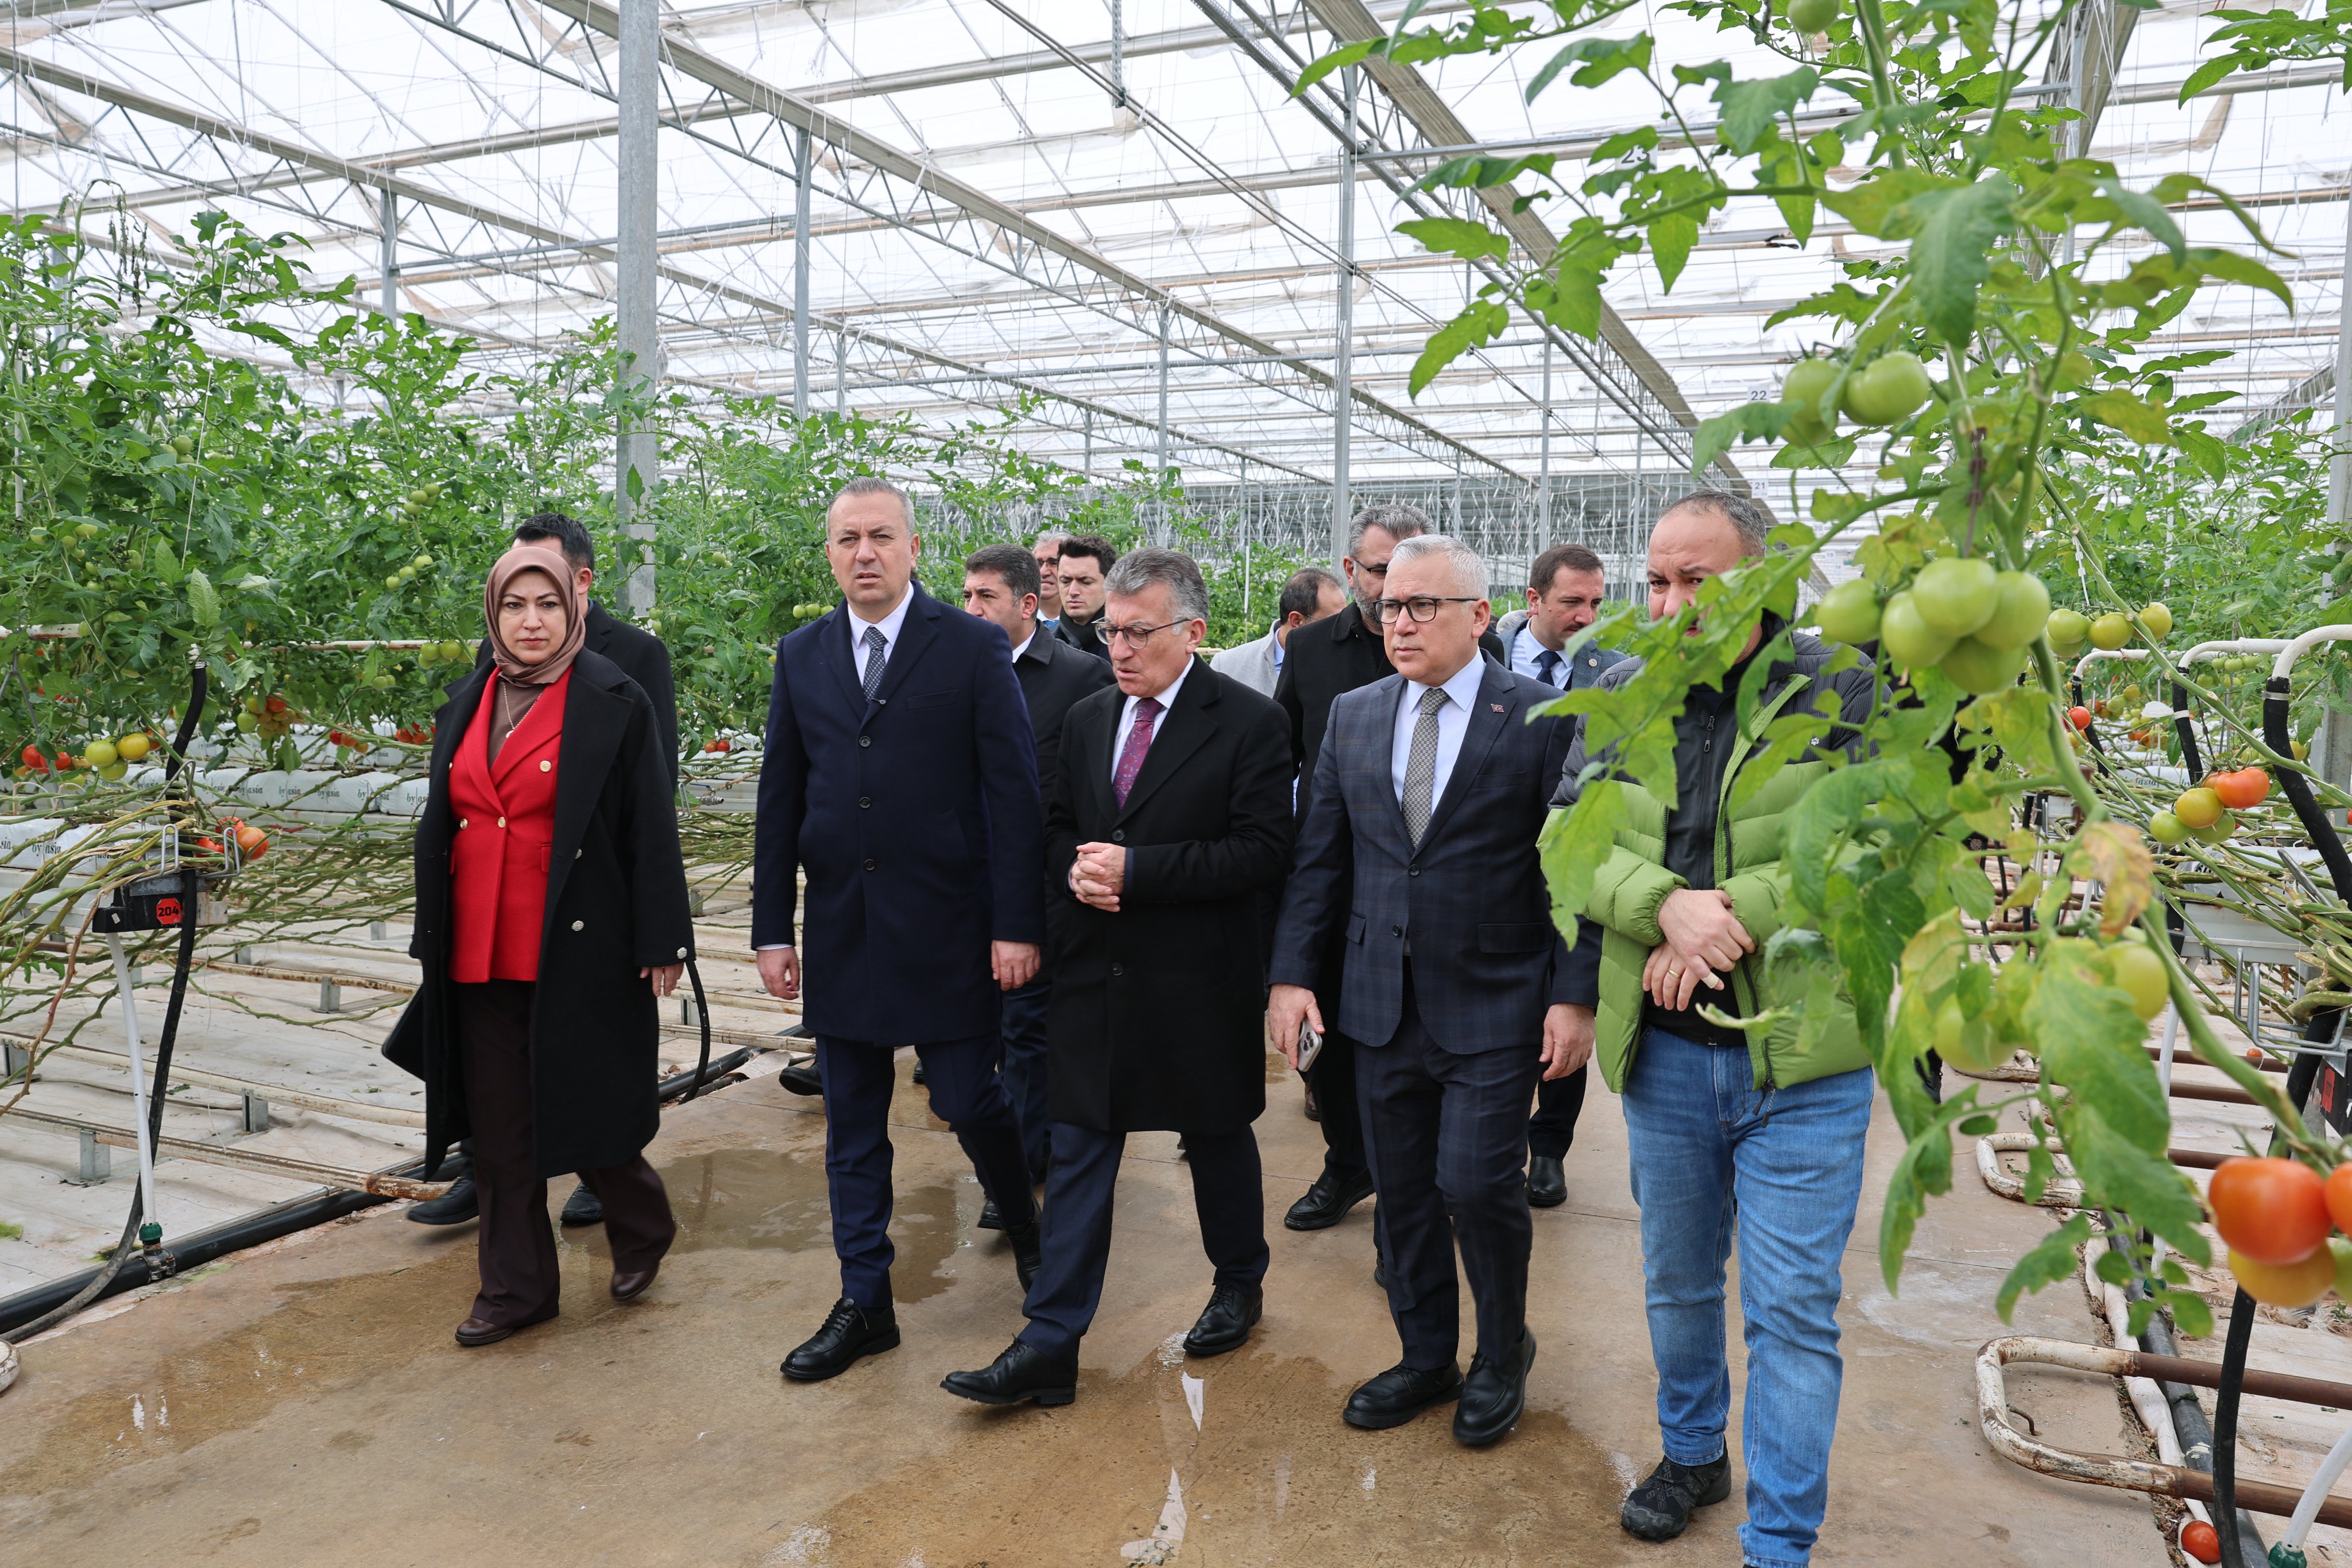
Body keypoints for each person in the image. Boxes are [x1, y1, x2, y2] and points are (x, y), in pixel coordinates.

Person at [1550, 490, 1875, 1565]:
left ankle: (1779, 1541)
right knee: (1678, 1277)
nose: (1672, 602)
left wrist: (1727, 918)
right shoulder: (1615, 681)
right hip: (1669, 1058)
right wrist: (1663, 909)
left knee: (1791, 1311)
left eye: (1701, 580)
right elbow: (1567, 837)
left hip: (1802, 1058)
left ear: (1767, 583)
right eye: (1658, 579)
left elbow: (1869, 847)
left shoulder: (1843, 683)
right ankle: (1692, 1454)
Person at [942, 549, 1294, 1408]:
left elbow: (1261, 850)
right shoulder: (1094, 713)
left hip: (1197, 979)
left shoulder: (1248, 721)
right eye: (1111, 630)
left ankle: (1240, 1279)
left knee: (1214, 1137)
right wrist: (1078, 878)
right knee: (1080, 1149)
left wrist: (1140, 872)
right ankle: (1050, 1341)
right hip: (1096, 973)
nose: (1121, 646)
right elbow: (1057, 823)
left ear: (1193, 632)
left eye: (1139, 631)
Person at [1268, 533, 1585, 1447]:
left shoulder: (1541, 715)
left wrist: (1573, 995)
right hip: (1377, 995)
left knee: (1478, 1182)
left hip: (1495, 994)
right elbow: (1320, 859)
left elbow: (1573, 868)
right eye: (1388, 607)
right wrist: (1291, 976)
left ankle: (1500, 1349)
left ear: (1479, 616)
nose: (1398, 623)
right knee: (1403, 1186)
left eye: (1421, 607)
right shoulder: (1359, 715)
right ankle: (1425, 1353)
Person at [754, 477, 1046, 1384]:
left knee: (969, 1097)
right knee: (852, 1125)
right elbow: (781, 798)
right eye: (847, 539)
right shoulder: (802, 654)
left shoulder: (966, 646)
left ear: (914, 547)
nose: (865, 553)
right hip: (844, 926)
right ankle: (864, 1300)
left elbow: (1012, 792)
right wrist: (773, 926)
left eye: (882, 536)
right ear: (832, 553)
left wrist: (1015, 923)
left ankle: (1031, 1228)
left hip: (950, 925)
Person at [384, 545, 693, 1346]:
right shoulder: (465, 699)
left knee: (585, 1105)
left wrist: (664, 936)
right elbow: (442, 821)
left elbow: (649, 824)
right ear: (493, 612)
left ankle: (639, 1217)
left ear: (574, 608)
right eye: (516, 604)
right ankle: (517, 1288)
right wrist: (429, 932)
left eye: (547, 605)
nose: (531, 621)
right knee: (498, 1128)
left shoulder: (613, 699)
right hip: (476, 948)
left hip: (577, 944)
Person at [1271, 504, 1502, 1248]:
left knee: (1457, 1146)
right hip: (1355, 915)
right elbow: (1294, 793)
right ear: (1355, 576)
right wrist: (1291, 961)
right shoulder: (1322, 673)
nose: (1398, 613)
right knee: (1344, 1076)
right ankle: (1351, 1171)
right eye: (1385, 591)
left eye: (1418, 599)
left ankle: (1435, 1212)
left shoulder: (1511, 689)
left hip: (1461, 945)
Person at [961, 543, 1115, 1198]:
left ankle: (1019, 1176)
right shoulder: (952, 669)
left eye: (985, 597)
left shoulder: (1081, 677)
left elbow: (1098, 789)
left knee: (1027, 1030)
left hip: (1041, 887)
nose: (970, 609)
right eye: (965, 595)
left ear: (1028, 604)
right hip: (965, 883)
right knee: (980, 1028)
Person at [1490, 542, 1627, 1210]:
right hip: (1498, 860)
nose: (1586, 616)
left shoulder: (1615, 674)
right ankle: (1497, 1138)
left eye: (1596, 602)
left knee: (1566, 1005)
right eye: (1572, 601)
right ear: (1533, 600)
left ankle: (1547, 1149)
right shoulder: (1482, 654)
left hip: (1576, 862)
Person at [1210, 564, 1345, 698]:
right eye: (1333, 622)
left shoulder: (1344, 665)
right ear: (1297, 621)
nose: (1341, 628)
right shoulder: (1228, 666)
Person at [1053, 535, 1116, 661]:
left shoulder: (1128, 643)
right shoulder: (1042, 642)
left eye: (1085, 582)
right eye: (1066, 581)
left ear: (1110, 583)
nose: (1073, 591)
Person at [1032, 529, 1070, 633]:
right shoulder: (1016, 623)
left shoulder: (1091, 625)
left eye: (1053, 563)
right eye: (1038, 564)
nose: (1043, 572)